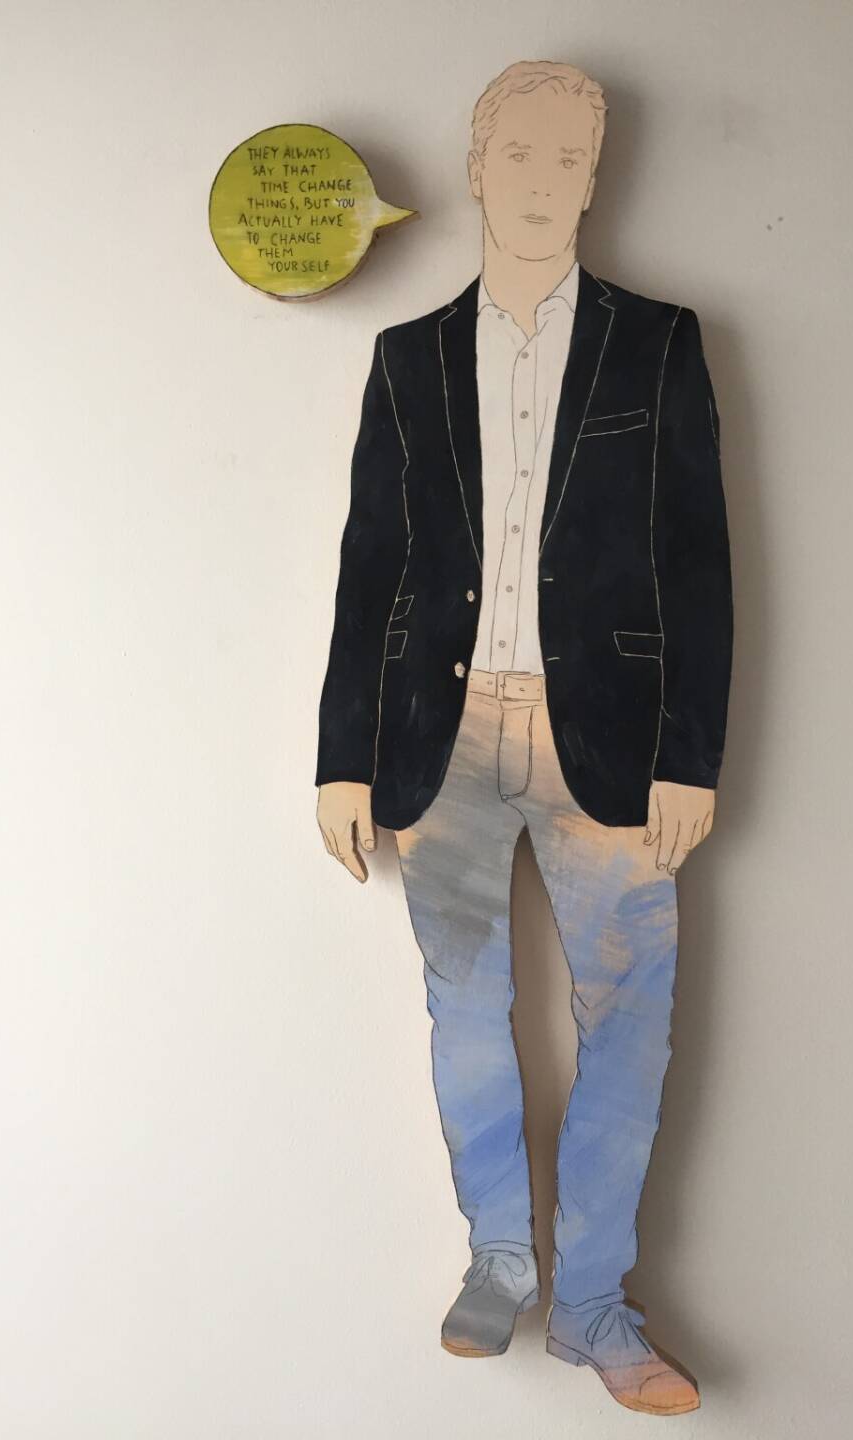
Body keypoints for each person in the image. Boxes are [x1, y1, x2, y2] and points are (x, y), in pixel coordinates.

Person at [315, 58, 732, 1417]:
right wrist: (343, 756)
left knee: (631, 1022)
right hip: (439, 735)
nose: (545, 183)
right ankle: (498, 1258)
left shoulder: (657, 342)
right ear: (478, 166)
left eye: (571, 160)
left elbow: (699, 561)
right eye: (523, 156)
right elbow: (370, 565)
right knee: (465, 1010)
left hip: (606, 737)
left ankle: (598, 1308)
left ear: (595, 180)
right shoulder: (409, 357)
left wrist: (690, 757)